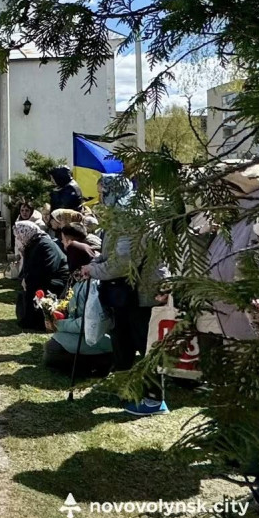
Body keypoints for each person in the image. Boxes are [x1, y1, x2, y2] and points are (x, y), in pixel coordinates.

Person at [80, 173, 170, 416]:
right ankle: (124, 387)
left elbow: (123, 263)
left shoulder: (132, 217)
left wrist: (94, 270)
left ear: (114, 192)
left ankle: (154, 400)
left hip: (143, 292)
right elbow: (110, 253)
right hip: (125, 291)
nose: (100, 198)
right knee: (122, 341)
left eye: (102, 193)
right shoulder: (119, 215)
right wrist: (95, 263)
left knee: (145, 344)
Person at [43, 272, 114, 377]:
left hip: (101, 337)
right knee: (50, 348)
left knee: (52, 350)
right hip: (85, 333)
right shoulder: (79, 281)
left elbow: (89, 323)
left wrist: (59, 325)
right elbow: (73, 310)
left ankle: (104, 361)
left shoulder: (94, 284)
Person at [13, 221, 69, 331]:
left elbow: (49, 268)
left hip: (56, 280)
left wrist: (29, 280)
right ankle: (30, 319)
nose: (19, 238)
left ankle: (36, 321)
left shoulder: (45, 244)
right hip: (44, 277)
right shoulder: (33, 244)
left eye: (20, 235)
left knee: (33, 288)